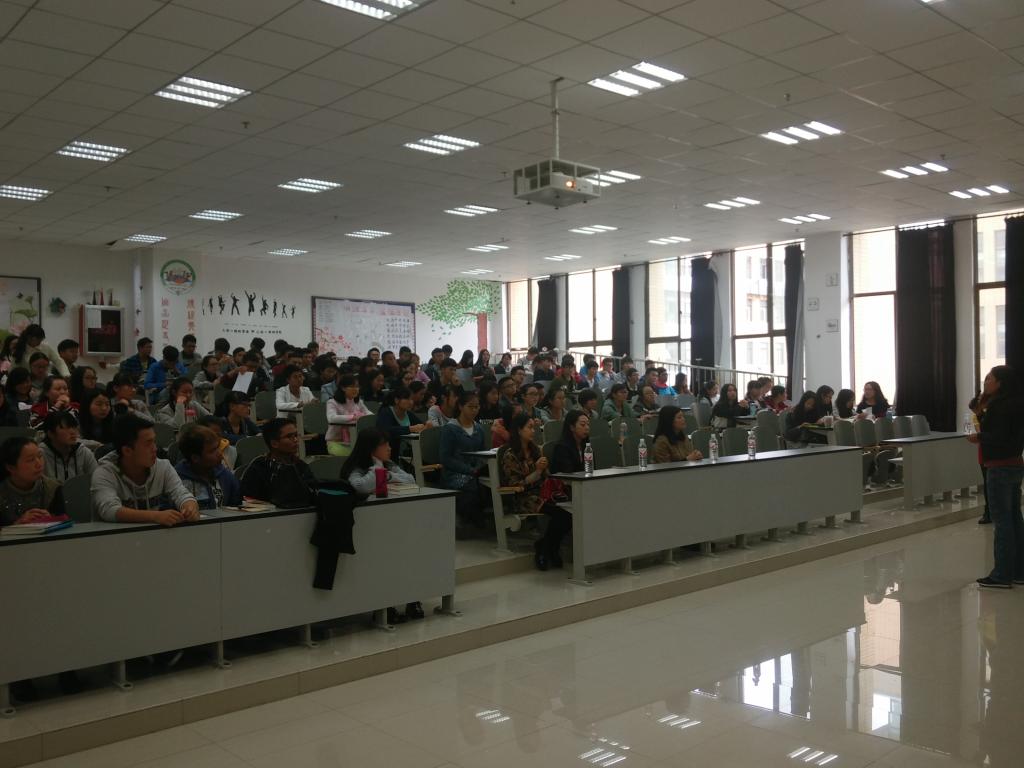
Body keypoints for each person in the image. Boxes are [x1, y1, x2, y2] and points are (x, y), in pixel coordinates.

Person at [969, 366, 1024, 589]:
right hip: (1015, 463)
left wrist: (979, 437)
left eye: (989, 378)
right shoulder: (1016, 403)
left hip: (999, 466)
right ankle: (1019, 571)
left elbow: (999, 436)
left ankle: (1002, 574)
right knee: (1015, 519)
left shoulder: (999, 406)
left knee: (1002, 522)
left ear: (1000, 382)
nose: (986, 382)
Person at [91, 414, 199, 524]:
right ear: (127, 451)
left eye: (154, 441)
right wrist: (155, 516)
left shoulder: (163, 467)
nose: (155, 448)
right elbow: (109, 510)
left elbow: (181, 494)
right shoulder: (104, 473)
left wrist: (189, 507)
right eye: (148, 444)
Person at [501, 413, 571, 571]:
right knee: (562, 514)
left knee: (568, 512)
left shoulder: (536, 450)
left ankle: (546, 546)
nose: (533, 431)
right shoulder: (510, 455)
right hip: (523, 497)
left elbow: (546, 476)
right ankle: (548, 549)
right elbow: (516, 484)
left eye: (534, 427)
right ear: (519, 430)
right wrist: (537, 471)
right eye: (530, 427)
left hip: (542, 493)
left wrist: (544, 470)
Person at [240, 418, 318, 508]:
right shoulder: (258, 467)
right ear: (274, 443)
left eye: (296, 435)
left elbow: (311, 495)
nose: (296, 440)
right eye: (289, 437)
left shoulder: (301, 466)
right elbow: (247, 499)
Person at [438, 391, 487, 531]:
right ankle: (468, 521)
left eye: (477, 407)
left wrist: (479, 468)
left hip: (476, 471)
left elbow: (483, 453)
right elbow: (445, 458)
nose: (474, 410)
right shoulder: (450, 429)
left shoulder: (479, 429)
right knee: (473, 487)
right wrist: (470, 470)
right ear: (460, 406)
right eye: (470, 407)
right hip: (455, 473)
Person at [0, 437, 66, 527]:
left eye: (40, 456)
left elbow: (65, 524)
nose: (39, 464)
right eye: (30, 460)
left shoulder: (53, 488)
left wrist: (51, 520)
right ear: (11, 468)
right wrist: (17, 524)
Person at [174, 425, 242, 510]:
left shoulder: (225, 475)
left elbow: (236, 506)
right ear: (195, 458)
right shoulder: (176, 480)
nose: (219, 453)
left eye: (218, 448)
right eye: (212, 451)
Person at [39, 411, 97, 482]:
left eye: (74, 427)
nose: (72, 432)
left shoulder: (84, 452)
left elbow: (97, 481)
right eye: (66, 428)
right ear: (51, 433)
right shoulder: (40, 455)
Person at [376, 385, 432, 459]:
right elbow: (385, 429)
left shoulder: (408, 413)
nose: (410, 402)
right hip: (387, 454)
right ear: (396, 400)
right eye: (407, 399)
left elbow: (421, 425)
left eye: (411, 399)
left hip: (404, 453)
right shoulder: (386, 412)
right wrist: (410, 429)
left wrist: (426, 426)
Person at [326, 374, 369, 456]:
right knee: (355, 456)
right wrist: (353, 417)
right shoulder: (332, 402)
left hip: (356, 441)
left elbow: (368, 413)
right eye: (352, 386)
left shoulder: (358, 402)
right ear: (343, 388)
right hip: (336, 442)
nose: (356, 389)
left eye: (357, 386)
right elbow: (331, 418)